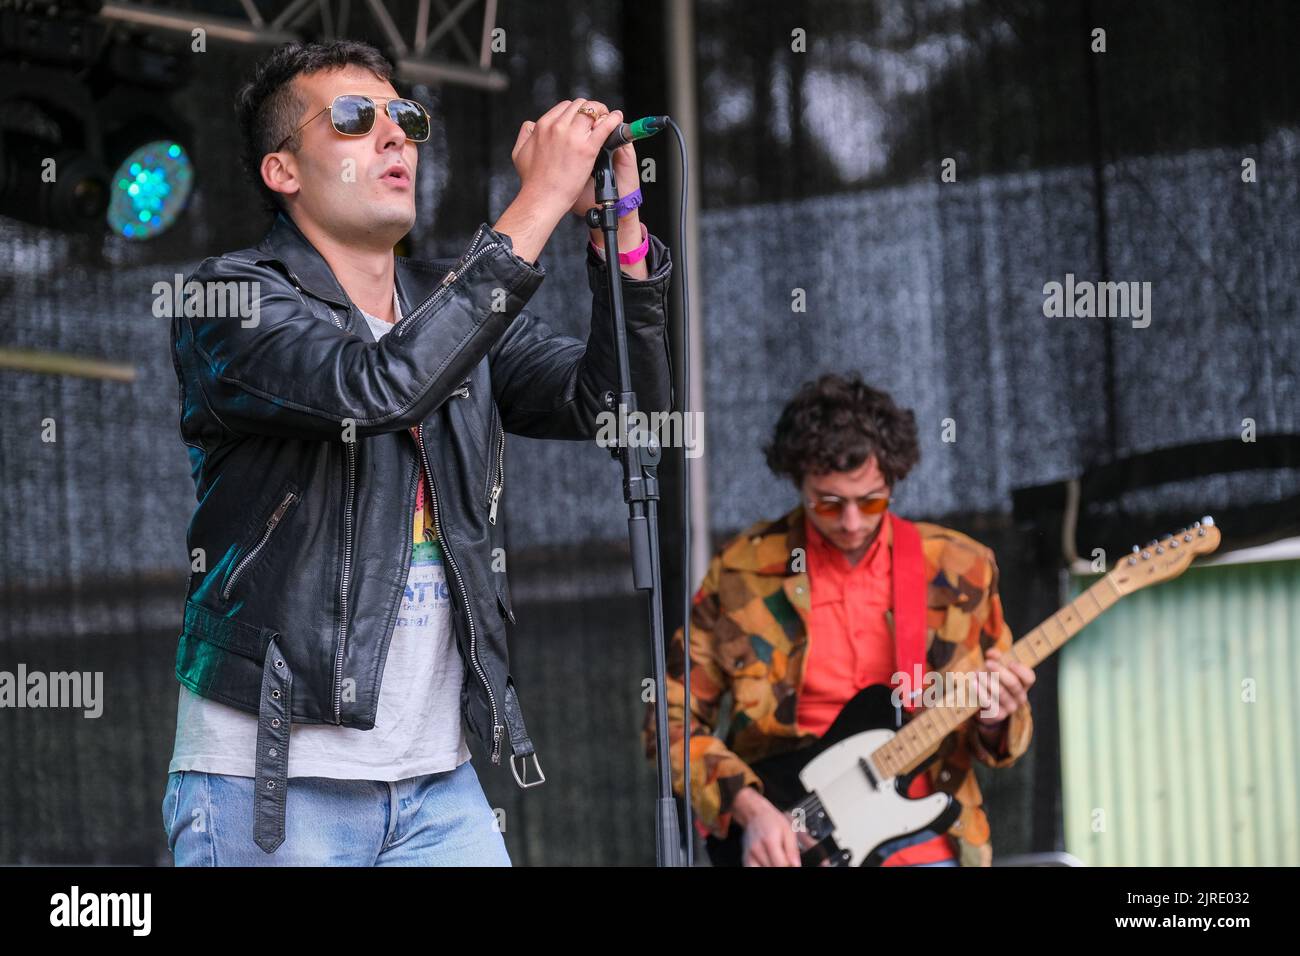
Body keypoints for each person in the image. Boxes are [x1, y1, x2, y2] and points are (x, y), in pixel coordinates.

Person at [163, 39, 672, 865]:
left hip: (440, 783)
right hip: (269, 782)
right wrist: (535, 201)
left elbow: (619, 411)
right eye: (357, 119)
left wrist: (615, 235)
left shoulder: (448, 302)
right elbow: (378, 388)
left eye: (404, 117)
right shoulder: (232, 299)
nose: (395, 135)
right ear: (282, 171)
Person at [645, 373, 1033, 866]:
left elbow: (1002, 742)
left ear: (893, 478)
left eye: (870, 500)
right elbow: (668, 721)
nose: (851, 521)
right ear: (798, 482)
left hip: (927, 842)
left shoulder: (962, 569)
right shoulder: (741, 573)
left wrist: (998, 717)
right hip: (790, 838)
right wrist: (750, 810)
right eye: (828, 502)